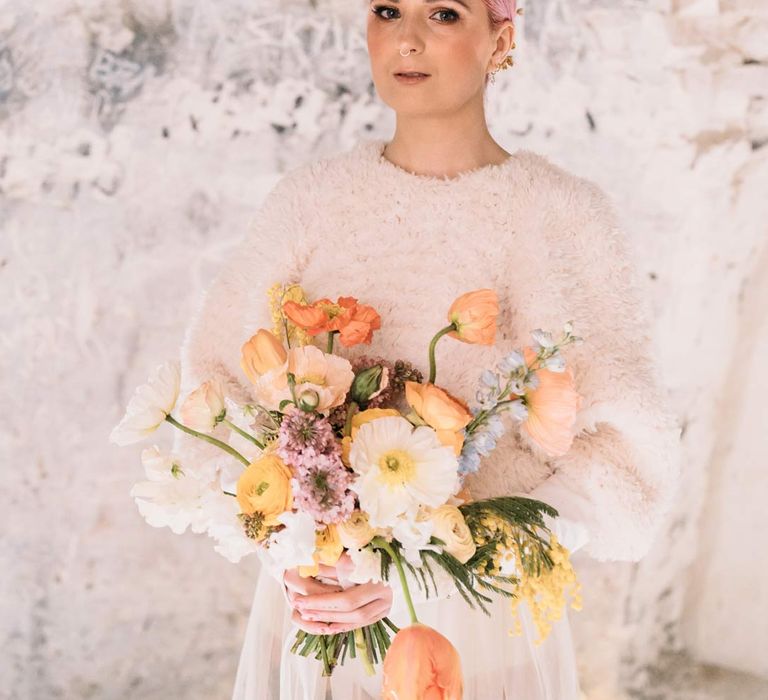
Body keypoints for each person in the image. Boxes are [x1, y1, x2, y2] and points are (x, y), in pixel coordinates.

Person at [172, 1, 682, 698]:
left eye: (444, 12)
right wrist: (295, 544)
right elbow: (216, 388)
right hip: (321, 617)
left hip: (479, 621)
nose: (408, 38)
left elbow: (625, 453)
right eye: (388, 10)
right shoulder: (310, 202)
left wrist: (426, 562)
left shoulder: (562, 216)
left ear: (500, 38)